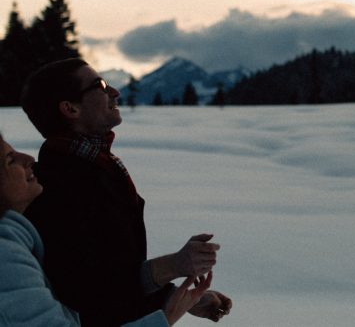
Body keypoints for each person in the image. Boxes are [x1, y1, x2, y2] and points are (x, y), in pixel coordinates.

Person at [19, 59, 233, 326]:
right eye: (100, 85)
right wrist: (173, 266)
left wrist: (177, 298)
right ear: (70, 108)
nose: (114, 92)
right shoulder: (54, 186)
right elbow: (84, 292)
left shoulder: (96, 167)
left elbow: (114, 274)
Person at [1, 132, 213, 325]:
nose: (28, 159)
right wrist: (165, 316)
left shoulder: (21, 235)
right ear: (70, 109)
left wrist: (167, 296)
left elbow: (89, 288)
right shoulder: (7, 253)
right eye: (10, 160)